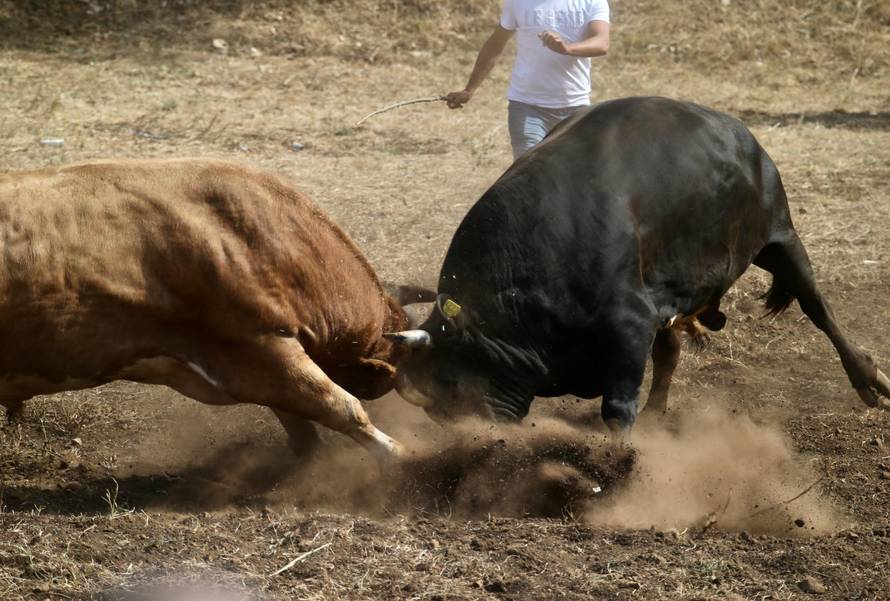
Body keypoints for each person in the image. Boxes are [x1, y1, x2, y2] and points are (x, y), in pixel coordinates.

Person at [446, 0, 611, 160]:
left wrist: (567, 49)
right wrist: (469, 89)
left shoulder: (592, 2)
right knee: (530, 178)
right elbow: (495, 45)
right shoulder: (517, 2)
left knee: (571, 177)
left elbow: (601, 43)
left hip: (575, 109)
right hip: (527, 107)